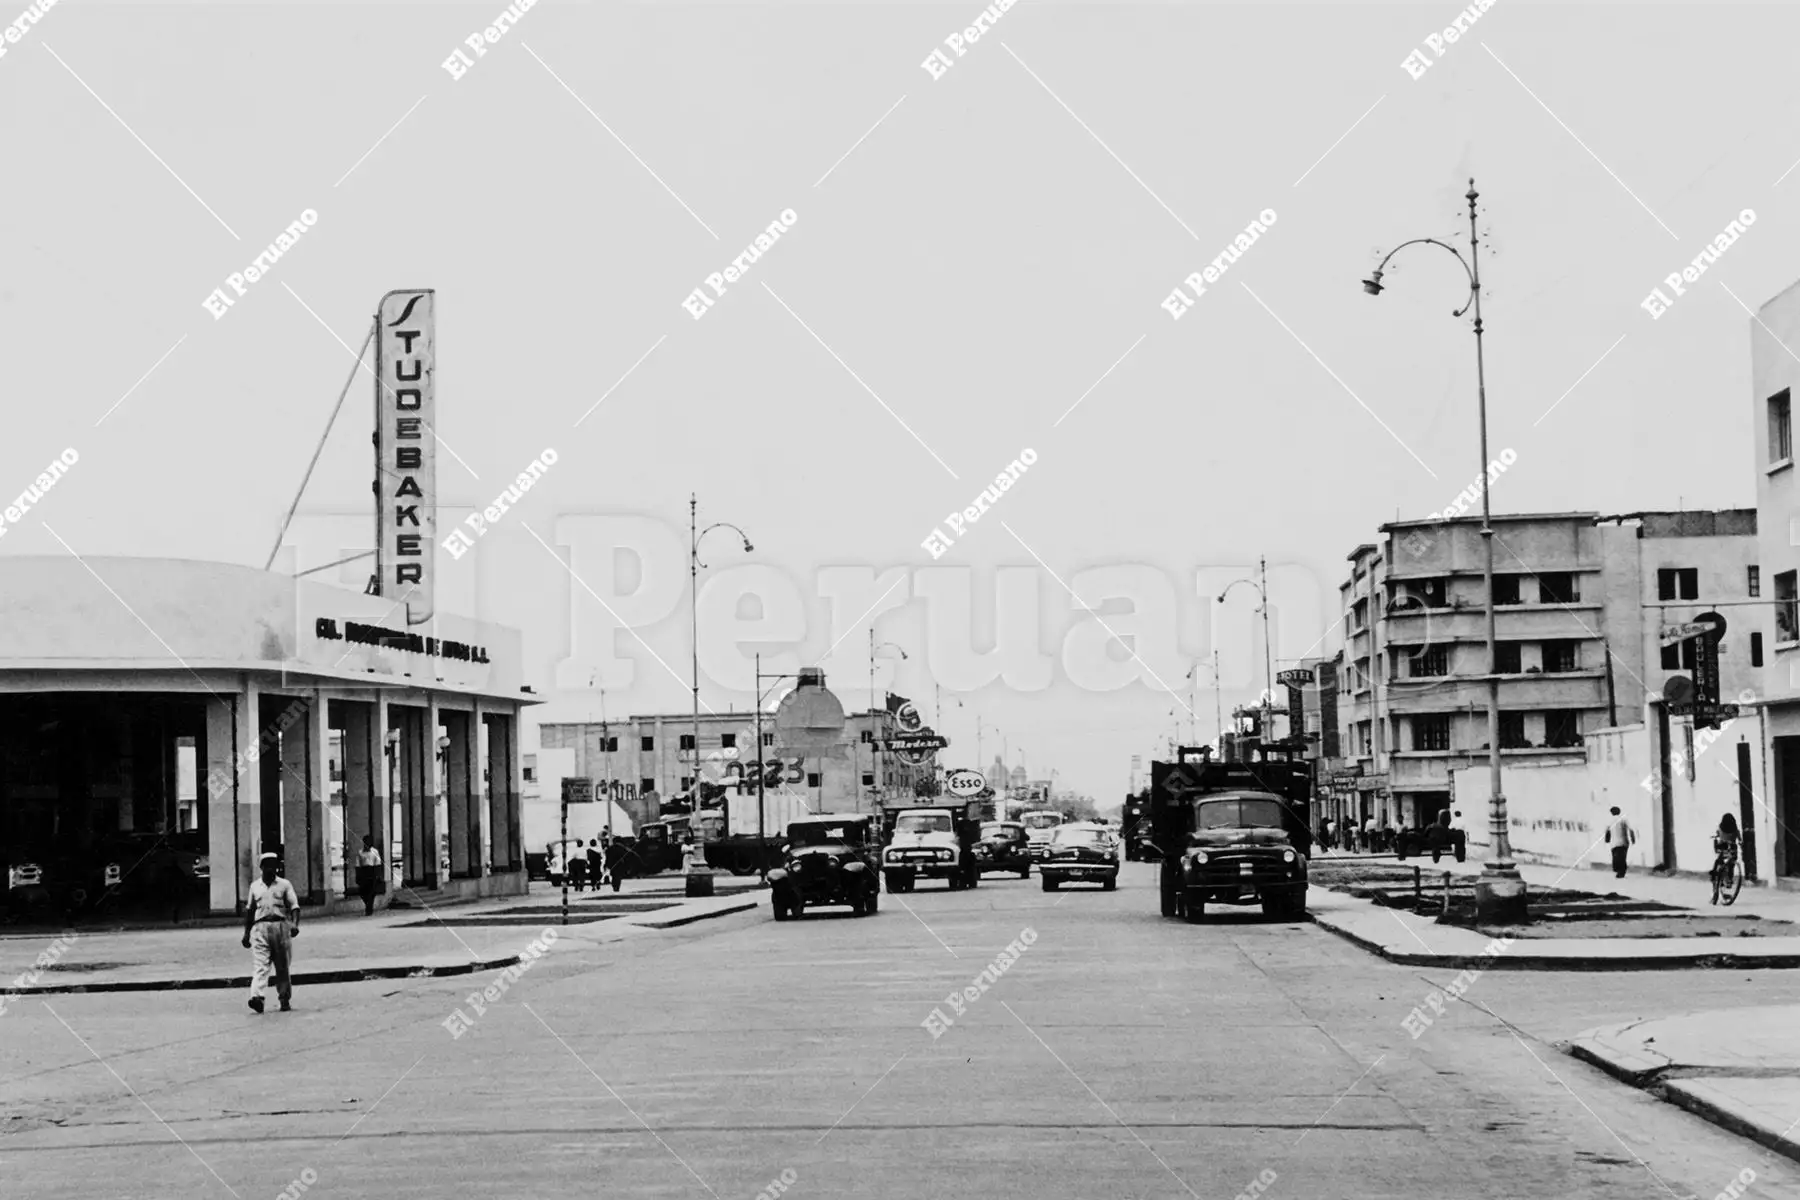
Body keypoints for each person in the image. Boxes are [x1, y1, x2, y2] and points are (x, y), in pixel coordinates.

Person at [241, 852, 298, 1013]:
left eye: (274, 865)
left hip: (280, 926)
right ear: (261, 867)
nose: (271, 868)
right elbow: (250, 911)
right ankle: (257, 997)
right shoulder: (255, 886)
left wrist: (294, 924)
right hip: (260, 927)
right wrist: (246, 934)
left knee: (282, 966)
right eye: (268, 865)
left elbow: (294, 907)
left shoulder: (284, 885)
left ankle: (284, 998)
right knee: (260, 965)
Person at [1711, 813, 1742, 903]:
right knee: (1731, 864)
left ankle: (1715, 880)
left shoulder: (1721, 828)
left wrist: (1716, 838)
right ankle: (1729, 879)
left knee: (1718, 863)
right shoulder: (1735, 830)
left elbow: (1717, 834)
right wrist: (1740, 842)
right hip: (1732, 848)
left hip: (1723, 847)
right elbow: (1740, 839)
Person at [355, 835, 383, 916]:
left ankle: (369, 908)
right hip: (364, 872)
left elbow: (378, 863)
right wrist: (357, 875)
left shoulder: (375, 852)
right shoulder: (360, 852)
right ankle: (368, 904)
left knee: (372, 891)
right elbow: (357, 865)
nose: (367, 843)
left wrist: (378, 875)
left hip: (372, 871)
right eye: (366, 841)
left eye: (369, 842)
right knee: (362, 891)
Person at [1605, 807, 1636, 878]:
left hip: (1614, 843)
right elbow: (1631, 830)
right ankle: (1621, 872)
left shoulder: (1610, 821)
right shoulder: (1624, 819)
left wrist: (1607, 840)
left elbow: (1607, 832)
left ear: (1612, 813)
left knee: (1615, 858)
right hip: (1624, 842)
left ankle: (1618, 871)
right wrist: (1633, 839)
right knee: (1622, 858)